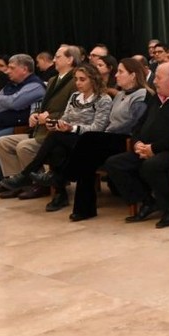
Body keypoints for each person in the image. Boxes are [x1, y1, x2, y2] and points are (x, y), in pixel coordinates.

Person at [0, 63, 113, 212]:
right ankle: (59, 191)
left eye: (82, 79)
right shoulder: (74, 97)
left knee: (56, 138)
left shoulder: (103, 99)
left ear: (93, 80)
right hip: (68, 138)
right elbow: (65, 118)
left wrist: (71, 128)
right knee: (57, 148)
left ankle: (28, 175)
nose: (78, 83)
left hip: (89, 141)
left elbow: (98, 128)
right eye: (76, 79)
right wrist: (57, 124)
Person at [105, 62, 169, 229]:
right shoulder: (156, 99)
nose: (155, 81)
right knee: (114, 163)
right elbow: (138, 126)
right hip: (149, 149)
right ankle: (148, 201)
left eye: (158, 78)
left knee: (151, 165)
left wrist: (154, 148)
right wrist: (137, 143)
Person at [51, 58, 152, 221]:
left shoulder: (141, 95)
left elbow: (133, 125)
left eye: (120, 72)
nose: (116, 75)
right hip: (111, 137)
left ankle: (63, 176)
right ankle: (84, 208)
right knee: (86, 156)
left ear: (133, 75)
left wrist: (106, 133)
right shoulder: (120, 95)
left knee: (89, 139)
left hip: (126, 139)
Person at [0, 46, 80, 200]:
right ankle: (17, 181)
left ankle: (40, 184)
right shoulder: (53, 80)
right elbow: (43, 105)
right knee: (3, 142)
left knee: (24, 146)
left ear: (70, 60)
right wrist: (35, 114)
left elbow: (74, 110)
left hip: (56, 131)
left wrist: (49, 116)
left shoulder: (75, 81)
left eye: (58, 56)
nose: (54, 59)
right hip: (41, 130)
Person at [0, 54, 47, 138]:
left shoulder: (35, 85)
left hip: (19, 127)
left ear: (24, 69)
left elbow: (14, 103)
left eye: (12, 68)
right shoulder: (11, 84)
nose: (7, 71)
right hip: (4, 124)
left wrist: (6, 101)